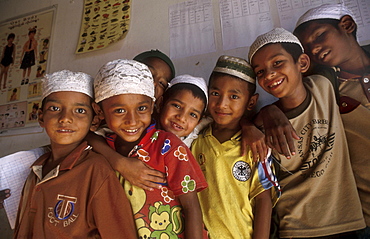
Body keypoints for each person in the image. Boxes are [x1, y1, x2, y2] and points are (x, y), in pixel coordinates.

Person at [248, 27, 365, 238]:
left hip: (346, 223)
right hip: (296, 227)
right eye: (260, 72)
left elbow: (350, 53)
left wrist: (269, 110)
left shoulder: (324, 86)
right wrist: (265, 113)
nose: (270, 74)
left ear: (302, 63)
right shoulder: (261, 127)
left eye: (277, 63)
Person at [13, 70, 137, 238]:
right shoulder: (37, 169)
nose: (65, 118)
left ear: (94, 120)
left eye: (79, 111)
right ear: (41, 117)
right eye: (55, 108)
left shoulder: (96, 171)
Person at [92, 59, 208, 239]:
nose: (132, 120)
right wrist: (118, 161)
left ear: (153, 106)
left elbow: (192, 207)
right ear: (99, 112)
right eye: (119, 111)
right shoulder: (101, 147)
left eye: (142, 108)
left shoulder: (169, 146)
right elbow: (84, 135)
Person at [293, 4, 370, 237]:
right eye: (307, 48)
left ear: (346, 25)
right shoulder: (326, 94)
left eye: (319, 35)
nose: (315, 48)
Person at [191, 55, 280, 239]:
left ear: (251, 102)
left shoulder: (256, 146)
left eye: (233, 96)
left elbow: (263, 199)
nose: (222, 104)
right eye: (215, 93)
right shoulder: (195, 142)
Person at [159, 74, 209, 147]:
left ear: (198, 123)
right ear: (160, 104)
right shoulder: (143, 129)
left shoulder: (191, 139)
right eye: (177, 106)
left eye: (193, 115)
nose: (182, 118)